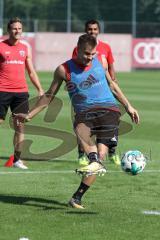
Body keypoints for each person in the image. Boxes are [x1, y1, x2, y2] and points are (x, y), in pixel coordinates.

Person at [15, 34, 139, 209]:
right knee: (85, 137)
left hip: (109, 110)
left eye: (93, 54)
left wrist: (129, 106)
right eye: (87, 54)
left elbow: (112, 85)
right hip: (84, 112)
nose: (90, 57)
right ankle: (94, 161)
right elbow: (49, 96)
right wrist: (30, 115)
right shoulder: (63, 70)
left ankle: (77, 197)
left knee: (100, 159)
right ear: (78, 50)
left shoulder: (100, 61)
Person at [72, 19, 120, 166]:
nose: (92, 31)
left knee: (111, 120)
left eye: (95, 29)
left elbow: (110, 65)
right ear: (86, 30)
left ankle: (112, 152)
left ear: (98, 31)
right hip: (86, 91)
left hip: (104, 88)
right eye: (89, 29)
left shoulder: (106, 47)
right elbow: (76, 68)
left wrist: (113, 80)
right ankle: (82, 154)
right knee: (82, 124)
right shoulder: (78, 49)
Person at [0, 17, 44, 169]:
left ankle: (17, 160)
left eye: (19, 28)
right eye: (14, 28)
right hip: (2, 91)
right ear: (8, 30)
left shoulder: (25, 48)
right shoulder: (0, 47)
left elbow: (31, 71)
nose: (17, 31)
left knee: (20, 126)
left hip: (21, 92)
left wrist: (39, 89)